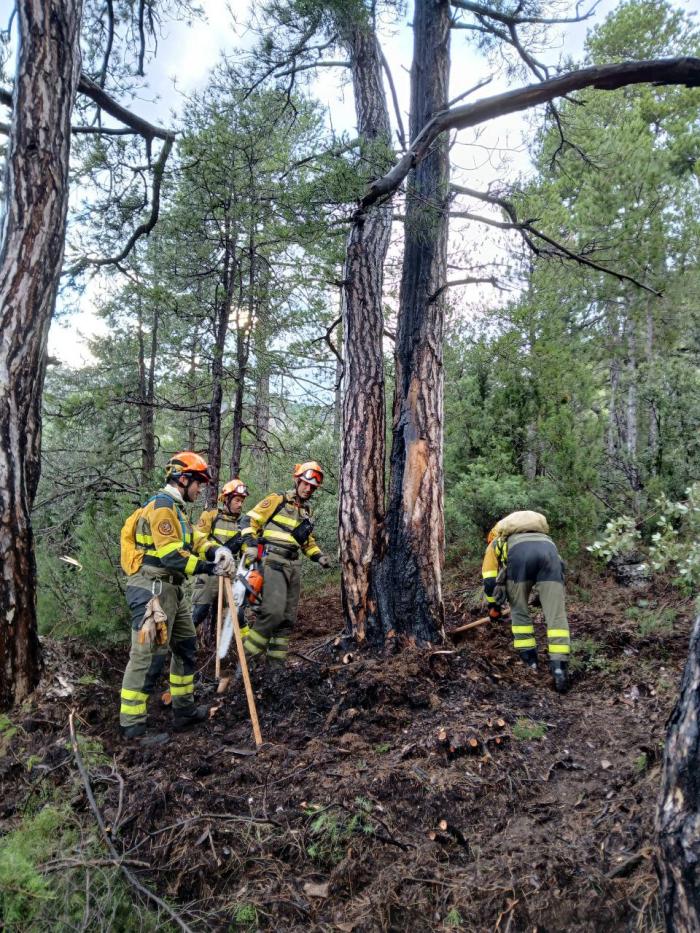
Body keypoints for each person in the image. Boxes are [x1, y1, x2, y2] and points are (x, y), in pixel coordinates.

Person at [119, 452, 235, 738]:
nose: (200, 489)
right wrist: (210, 568)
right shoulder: (162, 508)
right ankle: (133, 728)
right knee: (147, 656)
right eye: (198, 483)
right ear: (183, 479)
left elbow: (194, 538)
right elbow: (172, 557)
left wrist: (215, 550)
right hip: (152, 590)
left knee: (185, 645)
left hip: (172, 589)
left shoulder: (177, 510)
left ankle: (183, 710)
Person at [238, 461, 331, 666]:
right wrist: (251, 545)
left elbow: (307, 543)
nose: (308, 488)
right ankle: (245, 664)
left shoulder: (305, 512)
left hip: (293, 565)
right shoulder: (276, 500)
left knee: (287, 620)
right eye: (305, 483)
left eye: (312, 486)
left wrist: (319, 556)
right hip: (272, 562)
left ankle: (275, 670)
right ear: (297, 481)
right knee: (272, 613)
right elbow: (248, 521)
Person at [481, 510, 570, 692]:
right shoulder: (545, 539)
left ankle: (530, 663)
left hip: (519, 558)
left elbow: (489, 580)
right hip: (550, 556)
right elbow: (558, 565)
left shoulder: (496, 543)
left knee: (519, 611)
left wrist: (494, 607)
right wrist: (543, 595)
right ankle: (559, 667)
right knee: (556, 615)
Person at [191, 478, 249, 636]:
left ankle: (249, 654)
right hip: (209, 574)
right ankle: (182, 652)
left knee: (239, 616)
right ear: (226, 499)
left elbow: (246, 553)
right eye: (237, 500)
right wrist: (213, 553)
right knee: (198, 614)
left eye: (242, 501)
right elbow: (196, 543)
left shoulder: (243, 524)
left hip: (230, 575)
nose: (240, 504)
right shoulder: (210, 516)